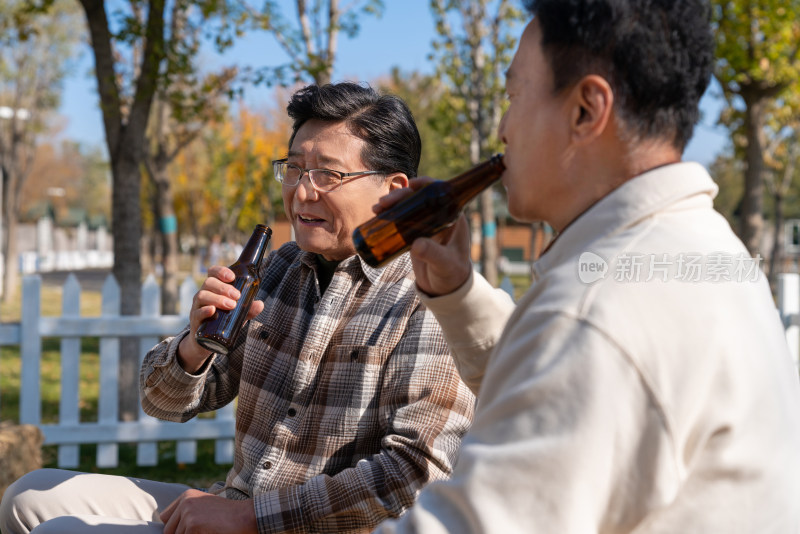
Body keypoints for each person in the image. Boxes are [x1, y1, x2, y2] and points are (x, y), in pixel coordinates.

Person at [373, 1, 800, 532]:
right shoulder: (702, 249)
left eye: (513, 96)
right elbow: (562, 388)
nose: (502, 129)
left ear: (585, 110)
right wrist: (459, 293)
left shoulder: (601, 311)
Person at [0, 82, 475, 534]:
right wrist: (194, 346)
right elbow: (161, 402)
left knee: (61, 530)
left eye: (328, 174)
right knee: (28, 496)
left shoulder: (431, 292)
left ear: (393, 189)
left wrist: (254, 519)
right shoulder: (282, 267)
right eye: (293, 168)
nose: (303, 192)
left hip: (306, 526)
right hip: (234, 504)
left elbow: (417, 475)